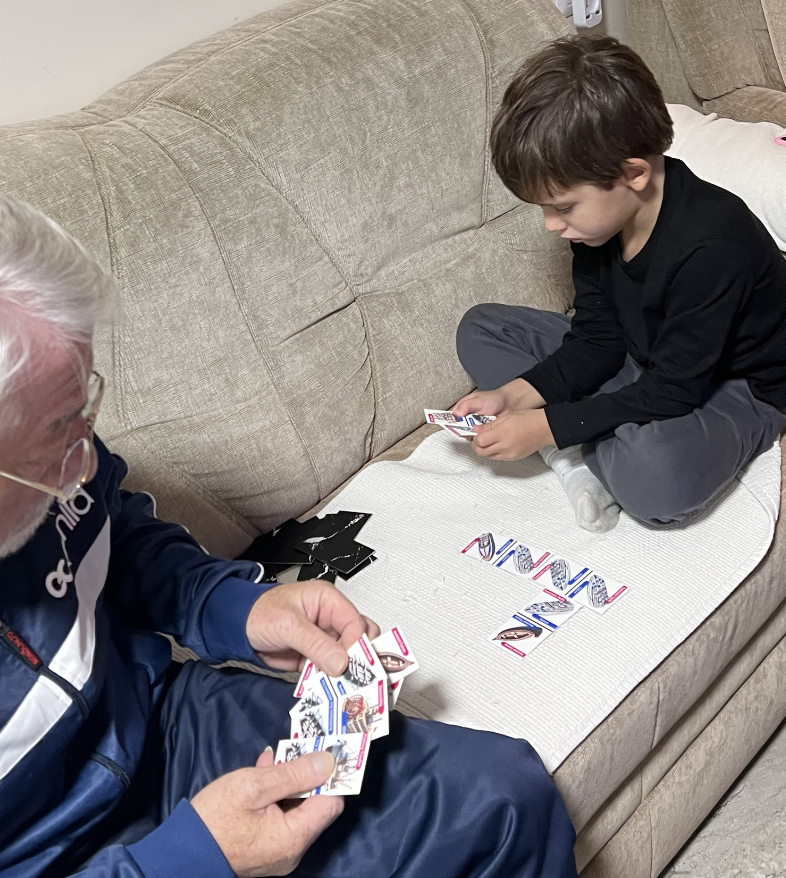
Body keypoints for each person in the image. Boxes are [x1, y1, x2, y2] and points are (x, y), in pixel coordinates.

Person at [0, 192, 578, 878]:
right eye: (58, 435)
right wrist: (186, 862)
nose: (88, 454)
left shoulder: (58, 453)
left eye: (84, 410)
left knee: (501, 796)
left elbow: (107, 531)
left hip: (161, 722)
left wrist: (238, 610)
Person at [454, 34, 786, 534]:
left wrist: (550, 425)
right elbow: (596, 338)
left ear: (632, 173)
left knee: (655, 482)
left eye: (562, 207)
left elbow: (677, 390)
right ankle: (582, 453)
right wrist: (518, 395)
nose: (550, 225)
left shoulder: (712, 246)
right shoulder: (597, 228)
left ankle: (580, 445)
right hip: (645, 355)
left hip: (734, 383)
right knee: (480, 329)